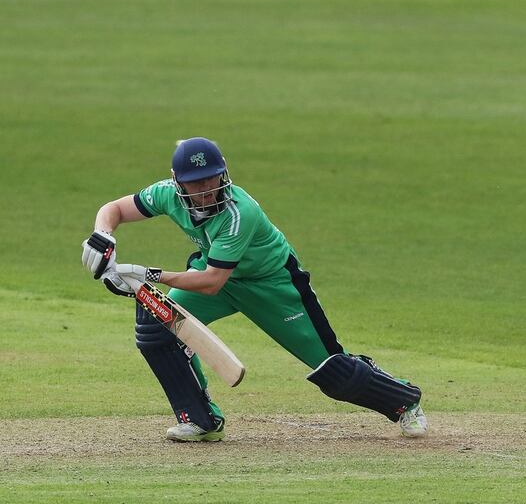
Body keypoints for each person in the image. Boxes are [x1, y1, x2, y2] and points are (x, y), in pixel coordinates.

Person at [81, 137, 428, 441]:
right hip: (217, 273)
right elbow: (114, 209)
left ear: (223, 173)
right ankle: (200, 420)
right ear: (178, 184)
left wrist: (147, 274)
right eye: (194, 183)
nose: (205, 189)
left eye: (210, 179)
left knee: (332, 371)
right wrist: (103, 235)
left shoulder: (237, 212)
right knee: (158, 328)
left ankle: (404, 400)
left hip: (272, 284)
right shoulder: (165, 194)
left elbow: (211, 282)